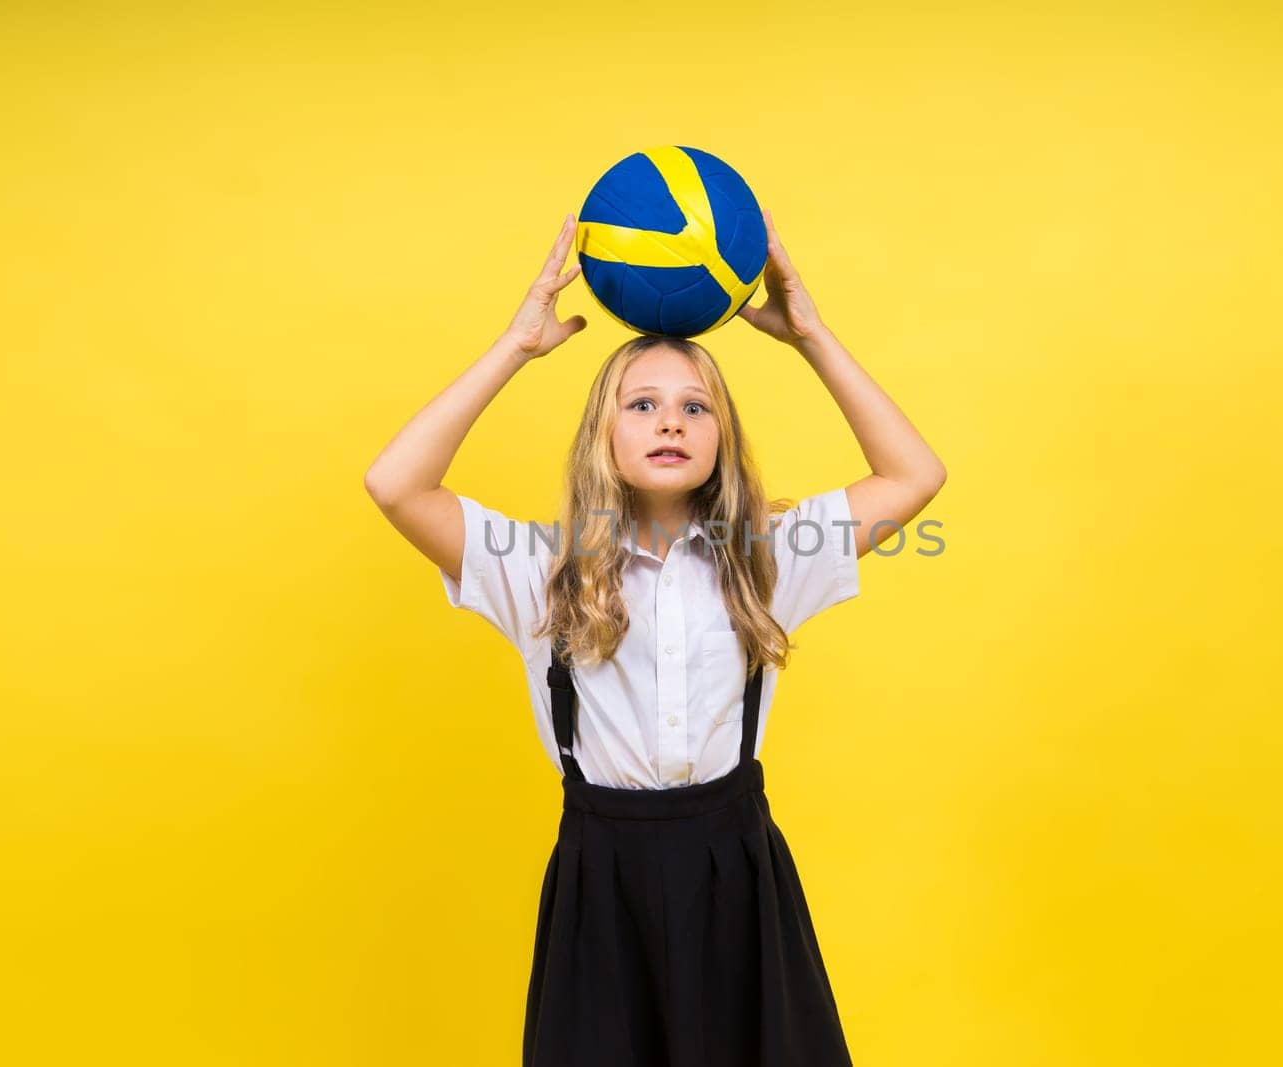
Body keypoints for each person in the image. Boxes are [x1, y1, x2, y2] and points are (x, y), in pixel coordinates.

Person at [364, 208, 946, 1066]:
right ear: (605, 434)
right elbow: (395, 483)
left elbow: (913, 474)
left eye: (694, 407)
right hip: (603, 887)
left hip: (736, 877)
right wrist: (515, 347)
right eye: (642, 404)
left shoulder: (771, 558)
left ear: (722, 437)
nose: (670, 422)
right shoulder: (538, 568)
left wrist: (810, 336)